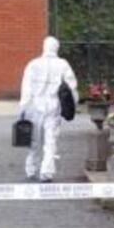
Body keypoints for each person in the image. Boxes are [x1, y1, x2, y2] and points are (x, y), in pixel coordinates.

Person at [19, 35, 79, 183]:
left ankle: (31, 168)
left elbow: (26, 87)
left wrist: (23, 107)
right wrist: (73, 105)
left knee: (34, 139)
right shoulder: (63, 64)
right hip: (53, 105)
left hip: (35, 105)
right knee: (50, 140)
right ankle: (47, 172)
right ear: (56, 48)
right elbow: (72, 87)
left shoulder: (33, 64)